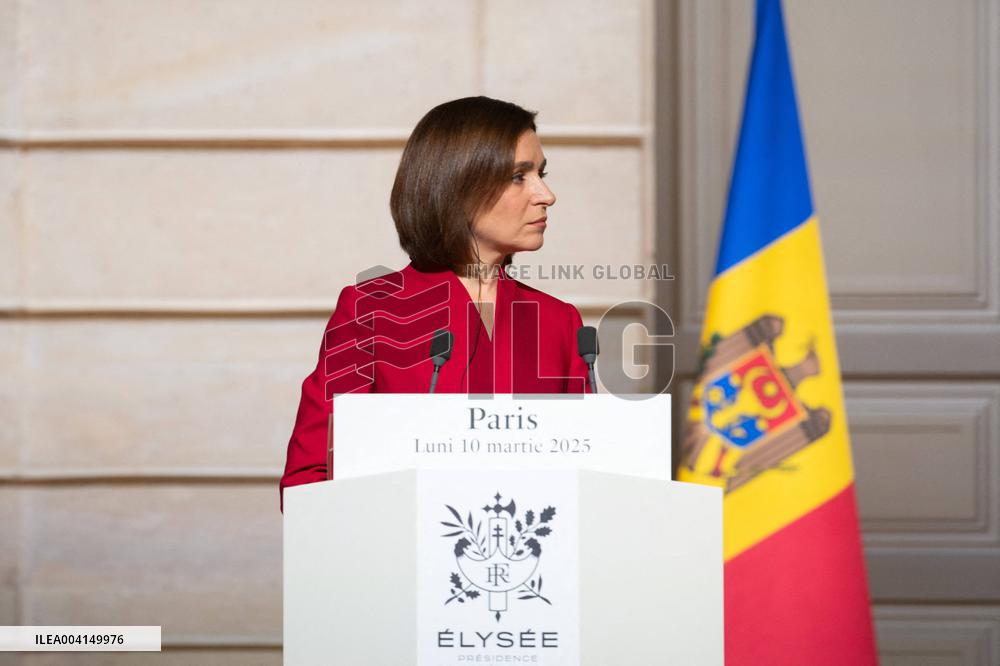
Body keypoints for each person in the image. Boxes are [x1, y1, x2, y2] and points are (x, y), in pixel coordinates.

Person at [280, 96, 591, 506]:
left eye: (541, 173)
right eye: (520, 176)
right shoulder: (371, 310)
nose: (546, 195)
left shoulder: (560, 322)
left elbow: (589, 474)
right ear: (459, 185)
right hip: (393, 559)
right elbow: (311, 475)